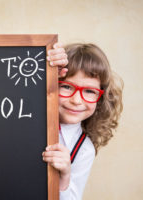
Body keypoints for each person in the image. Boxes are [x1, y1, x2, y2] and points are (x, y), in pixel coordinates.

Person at [43, 42, 123, 199]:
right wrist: (45, 65)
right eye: (66, 86)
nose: (77, 100)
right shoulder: (29, 116)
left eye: (89, 91)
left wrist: (64, 178)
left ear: (100, 99)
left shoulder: (84, 150)